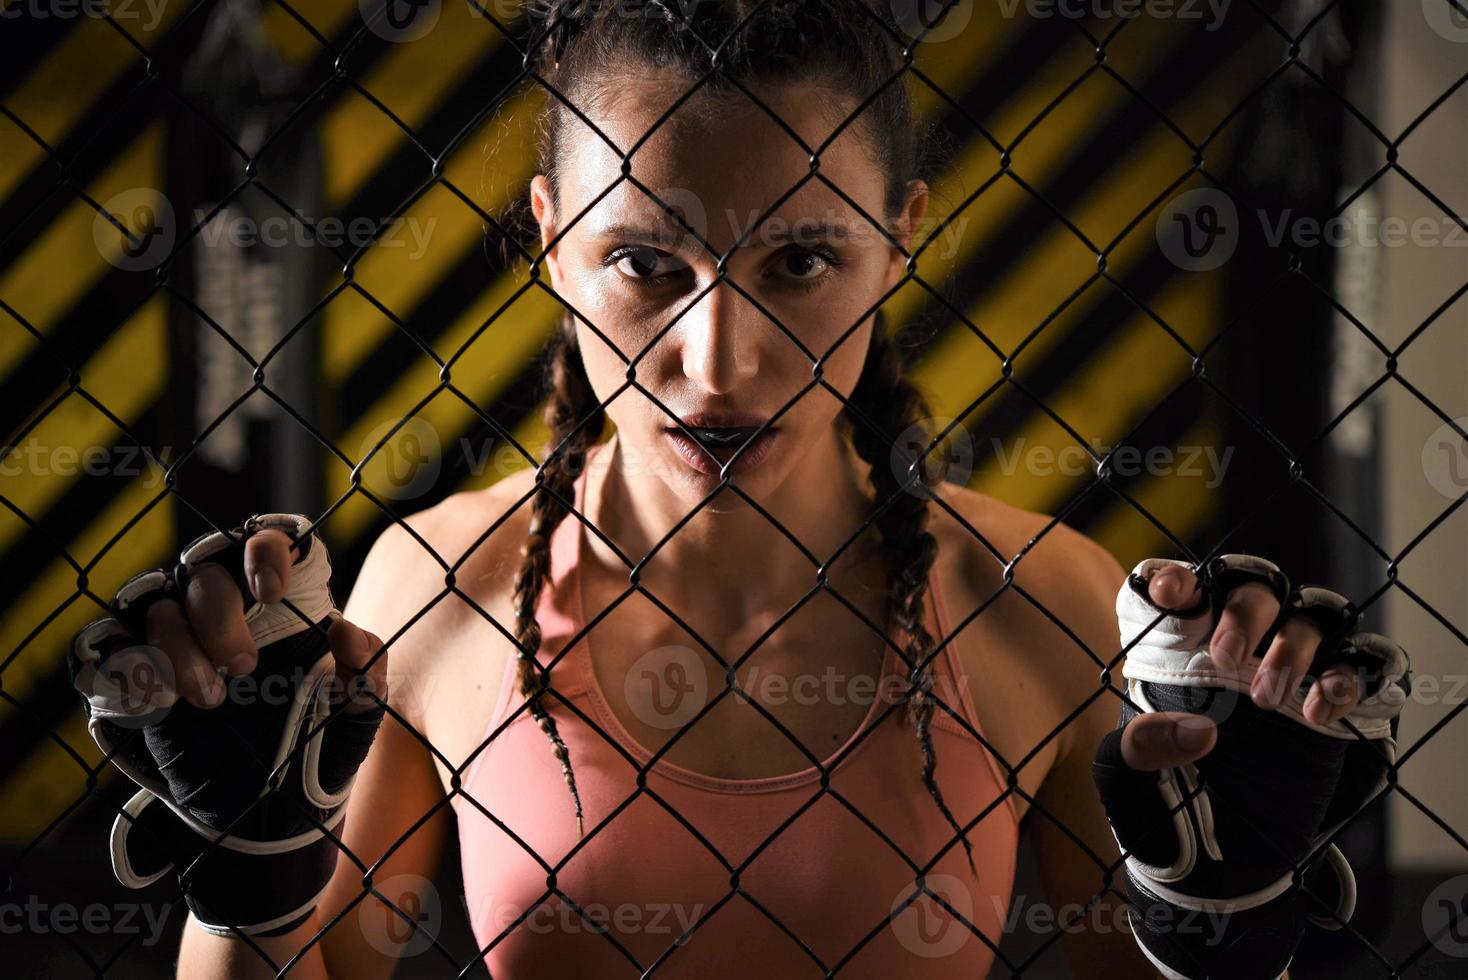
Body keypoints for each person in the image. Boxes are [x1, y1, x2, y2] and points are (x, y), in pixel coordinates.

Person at [70, 1, 1409, 977]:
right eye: (646, 263)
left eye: (802, 260)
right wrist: (249, 882)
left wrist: (1217, 931)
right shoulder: (438, 588)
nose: (719, 360)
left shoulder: (1039, 606)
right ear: (549, 239)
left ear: (902, 240)